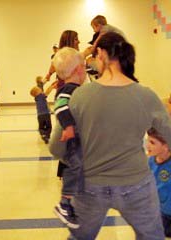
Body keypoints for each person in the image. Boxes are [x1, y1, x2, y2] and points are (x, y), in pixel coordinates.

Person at [65, 32, 171, 240]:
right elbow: (169, 132)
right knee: (151, 236)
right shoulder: (146, 95)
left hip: (90, 182)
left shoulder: (80, 96)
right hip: (136, 182)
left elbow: (57, 146)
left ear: (102, 54)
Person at [50, 47, 86, 229]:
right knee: (76, 165)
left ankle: (73, 203)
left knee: (79, 168)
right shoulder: (69, 89)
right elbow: (60, 106)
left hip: (78, 139)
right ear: (79, 69)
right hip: (72, 141)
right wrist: (68, 125)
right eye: (85, 68)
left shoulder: (75, 89)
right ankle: (64, 203)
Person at [147, 128, 171, 238]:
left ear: (166, 146)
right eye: (148, 141)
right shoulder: (150, 161)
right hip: (161, 212)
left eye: (152, 143)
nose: (147, 146)